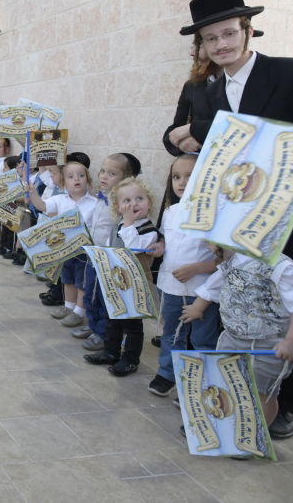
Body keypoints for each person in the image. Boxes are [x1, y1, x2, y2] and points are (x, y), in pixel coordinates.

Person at [174, 0, 293, 438]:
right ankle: (243, 395)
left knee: (292, 312)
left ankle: (292, 402)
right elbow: (209, 146)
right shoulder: (206, 92)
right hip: (240, 224)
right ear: (201, 46)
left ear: (247, 30)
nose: (221, 44)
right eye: (210, 38)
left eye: (228, 33)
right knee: (242, 309)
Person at [181, 248, 293, 426]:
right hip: (232, 337)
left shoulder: (280, 266)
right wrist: (198, 307)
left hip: (268, 343)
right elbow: (216, 284)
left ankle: (255, 435)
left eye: (211, 240)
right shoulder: (231, 260)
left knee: (260, 393)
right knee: (226, 382)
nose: (207, 246)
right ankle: (229, 427)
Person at [145, 154, 220, 397]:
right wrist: (160, 247)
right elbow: (169, 240)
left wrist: (197, 268)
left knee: (202, 338)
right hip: (170, 286)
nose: (182, 182)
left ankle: (202, 384)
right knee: (171, 333)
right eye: (177, 176)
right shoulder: (171, 211)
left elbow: (223, 261)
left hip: (201, 291)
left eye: (190, 175)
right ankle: (167, 372)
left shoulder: (214, 215)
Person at [84, 177, 158, 376]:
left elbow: (135, 247)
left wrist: (128, 222)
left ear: (149, 202)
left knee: (133, 325)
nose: (133, 204)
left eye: (139, 198)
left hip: (135, 285)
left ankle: (131, 359)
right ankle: (111, 351)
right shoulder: (119, 226)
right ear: (117, 207)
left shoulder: (148, 229)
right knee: (113, 319)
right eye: (127, 201)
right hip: (116, 281)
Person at [26, 161, 98, 328]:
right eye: (71, 177)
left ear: (87, 179)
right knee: (67, 280)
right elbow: (43, 207)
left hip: (84, 253)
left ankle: (79, 312)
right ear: (64, 182)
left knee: (82, 283)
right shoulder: (59, 199)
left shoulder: (94, 203)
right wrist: (33, 194)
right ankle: (68, 307)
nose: (76, 179)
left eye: (81, 175)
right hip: (65, 251)